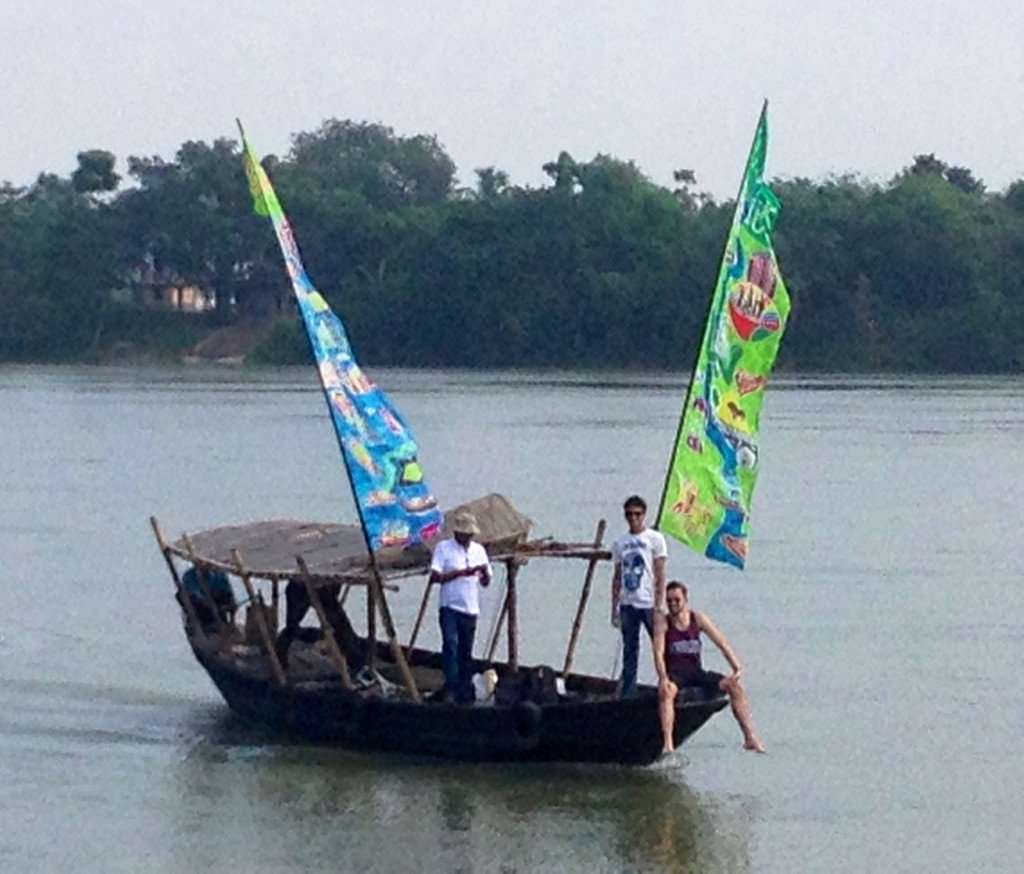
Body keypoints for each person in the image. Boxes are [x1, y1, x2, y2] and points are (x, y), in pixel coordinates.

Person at [654, 581, 765, 754]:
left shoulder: (697, 618)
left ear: (685, 599)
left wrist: (736, 666)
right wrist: (662, 678)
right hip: (676, 675)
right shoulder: (664, 622)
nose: (673, 604)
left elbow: (721, 642)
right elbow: (658, 652)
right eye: (669, 600)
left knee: (734, 687)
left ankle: (750, 737)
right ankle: (668, 743)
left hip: (696, 673)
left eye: (677, 599)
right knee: (666, 692)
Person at [429, 509, 492, 703]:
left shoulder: (478, 551)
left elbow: (486, 581)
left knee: (466, 651)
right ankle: (452, 686)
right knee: (450, 645)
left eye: (470, 534)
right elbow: (435, 576)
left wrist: (482, 573)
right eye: (465, 534)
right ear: (457, 533)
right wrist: (463, 572)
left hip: (470, 608)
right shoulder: (443, 548)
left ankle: (465, 689)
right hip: (450, 607)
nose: (468, 537)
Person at [610, 495, 668, 698]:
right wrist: (614, 607)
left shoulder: (654, 539)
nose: (633, 518)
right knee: (630, 650)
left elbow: (660, 572)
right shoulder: (620, 542)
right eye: (629, 514)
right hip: (628, 603)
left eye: (637, 514)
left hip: (649, 602)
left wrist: (660, 604)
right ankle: (628, 692)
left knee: (660, 646)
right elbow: (617, 576)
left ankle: (668, 684)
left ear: (643, 515)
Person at [181, 564, 235, 631]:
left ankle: (229, 623)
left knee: (226, 598)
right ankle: (208, 626)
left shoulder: (219, 573)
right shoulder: (189, 575)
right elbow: (194, 592)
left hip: (218, 603)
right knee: (198, 601)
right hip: (200, 607)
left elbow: (226, 589)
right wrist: (206, 600)